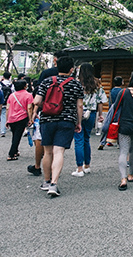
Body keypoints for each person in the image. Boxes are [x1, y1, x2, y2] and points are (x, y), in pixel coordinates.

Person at [33, 55, 84, 198]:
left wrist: (45, 108)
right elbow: (79, 105)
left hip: (47, 120)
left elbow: (36, 101)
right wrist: (78, 122)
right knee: (59, 151)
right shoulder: (76, 84)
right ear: (71, 69)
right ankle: (54, 184)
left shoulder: (47, 81)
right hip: (67, 121)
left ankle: (46, 181)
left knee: (47, 151)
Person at [29, 51, 67, 176]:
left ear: (55, 60)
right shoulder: (71, 77)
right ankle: (54, 170)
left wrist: (35, 111)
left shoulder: (46, 74)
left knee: (42, 140)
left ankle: (38, 166)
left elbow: (37, 96)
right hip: (64, 113)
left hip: (45, 111)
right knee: (58, 147)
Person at [72, 63, 106, 177]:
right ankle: (87, 165)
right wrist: (100, 115)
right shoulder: (97, 84)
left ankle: (79, 168)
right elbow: (100, 101)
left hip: (79, 112)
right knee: (86, 139)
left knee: (78, 140)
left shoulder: (77, 83)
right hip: (91, 113)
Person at [5, 80, 33, 161]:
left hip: (11, 118)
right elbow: (29, 108)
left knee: (15, 135)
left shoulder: (11, 95)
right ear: (25, 86)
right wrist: (30, 118)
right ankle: (11, 153)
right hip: (22, 118)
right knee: (17, 136)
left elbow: (7, 108)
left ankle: (15, 151)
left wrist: (7, 120)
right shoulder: (28, 95)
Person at [98, 76, 123, 150]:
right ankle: (119, 143)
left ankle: (102, 142)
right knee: (119, 125)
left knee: (108, 125)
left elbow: (110, 101)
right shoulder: (122, 91)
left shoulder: (111, 91)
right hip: (120, 109)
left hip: (112, 109)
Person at [0, 71, 13, 137]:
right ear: (10, 77)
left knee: (3, 116)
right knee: (9, 115)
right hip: (9, 102)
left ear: (3, 77)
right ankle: (10, 127)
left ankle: (2, 131)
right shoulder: (12, 85)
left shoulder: (0, 84)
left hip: (1, 102)